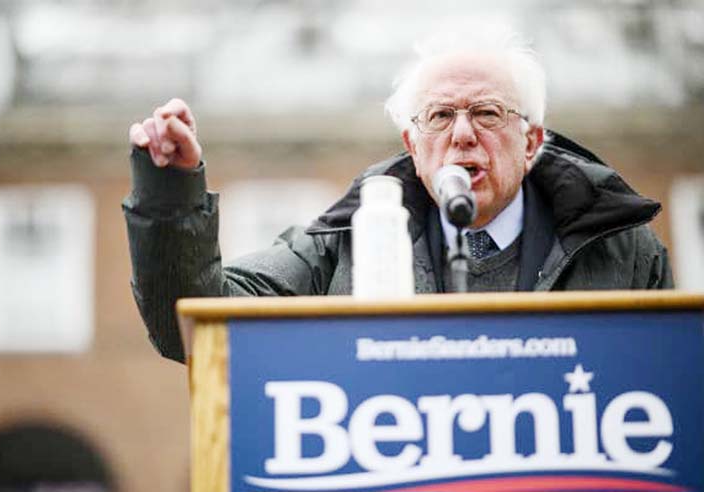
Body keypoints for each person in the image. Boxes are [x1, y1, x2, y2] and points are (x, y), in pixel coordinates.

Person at [123, 26, 673, 363]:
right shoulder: (339, 246)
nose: (462, 134)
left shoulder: (624, 252)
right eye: (439, 116)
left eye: (487, 113)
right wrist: (170, 192)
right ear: (412, 144)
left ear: (531, 142)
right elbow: (191, 324)